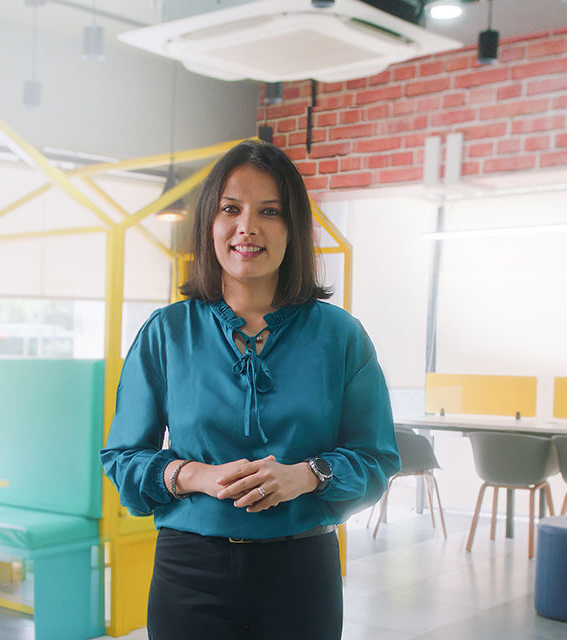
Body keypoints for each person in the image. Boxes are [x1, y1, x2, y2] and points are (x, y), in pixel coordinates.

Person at [101, 139, 399, 640]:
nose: (247, 228)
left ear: (293, 229)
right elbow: (122, 458)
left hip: (302, 573)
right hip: (189, 572)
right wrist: (194, 475)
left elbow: (377, 458)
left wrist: (307, 475)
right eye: (230, 209)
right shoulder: (167, 332)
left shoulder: (341, 335)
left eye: (270, 212)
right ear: (209, 225)